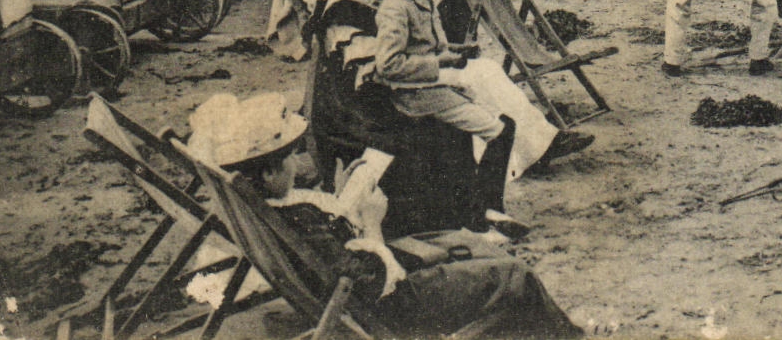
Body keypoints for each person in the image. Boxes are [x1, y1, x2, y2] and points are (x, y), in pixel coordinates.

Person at [185, 93, 582, 339]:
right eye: (289, 157)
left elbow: (334, 255)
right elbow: (367, 282)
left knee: (471, 246)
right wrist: (372, 222)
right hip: (393, 304)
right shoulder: (299, 219)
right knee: (515, 277)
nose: (297, 163)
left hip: (363, 284)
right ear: (269, 173)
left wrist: (345, 205)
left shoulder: (273, 212)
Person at [372, 0, 531, 238]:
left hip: (433, 86)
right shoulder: (395, 6)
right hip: (415, 94)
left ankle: (484, 207)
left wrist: (457, 51)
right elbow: (389, 65)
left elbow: (430, 46)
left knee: (500, 122)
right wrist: (441, 62)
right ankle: (485, 210)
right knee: (499, 131)